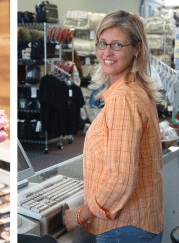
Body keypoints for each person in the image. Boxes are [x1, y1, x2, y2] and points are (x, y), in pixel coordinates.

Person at [62, 10, 163, 242]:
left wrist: (80, 216)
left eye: (117, 45)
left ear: (137, 49)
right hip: (139, 222)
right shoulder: (136, 90)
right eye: (103, 43)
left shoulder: (123, 99)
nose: (106, 52)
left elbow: (120, 179)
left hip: (123, 227)